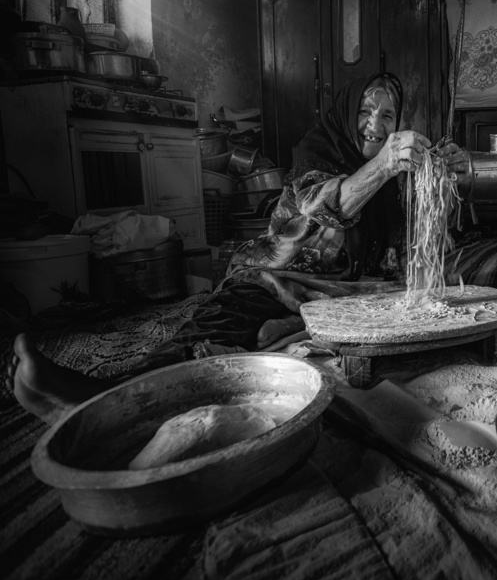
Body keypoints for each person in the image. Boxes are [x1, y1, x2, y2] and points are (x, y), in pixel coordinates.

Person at [6, 72, 466, 424]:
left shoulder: (397, 177)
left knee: (298, 350)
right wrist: (384, 166)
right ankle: (103, 399)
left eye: (388, 116)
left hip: (344, 299)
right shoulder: (316, 152)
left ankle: (287, 327)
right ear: (348, 112)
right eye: (366, 110)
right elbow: (327, 205)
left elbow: (417, 258)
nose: (374, 124)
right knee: (218, 324)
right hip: (277, 277)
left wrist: (446, 174)